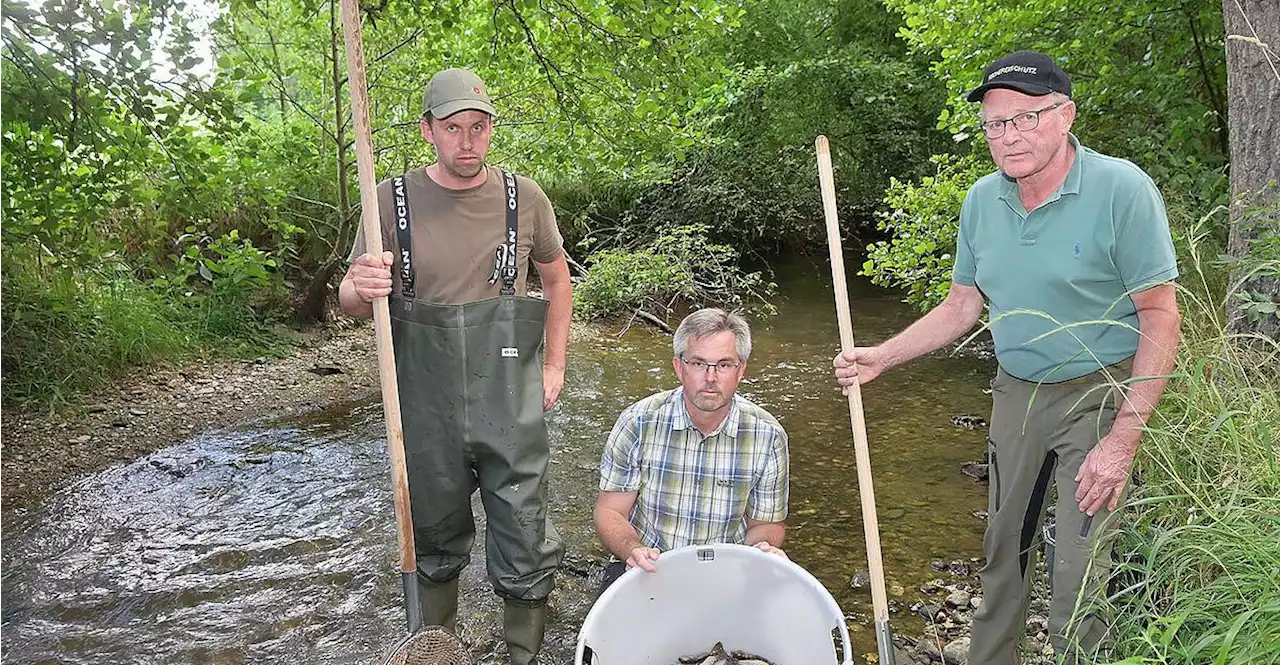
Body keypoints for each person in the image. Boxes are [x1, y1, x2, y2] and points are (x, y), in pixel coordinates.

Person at [833, 51, 1181, 663]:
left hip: (1099, 392)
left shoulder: (1121, 190)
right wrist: (882, 356)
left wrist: (1125, 436)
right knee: (1002, 555)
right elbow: (961, 306)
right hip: (1016, 393)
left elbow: (1160, 314)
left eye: (1028, 118)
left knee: (1079, 569)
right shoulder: (981, 203)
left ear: (1066, 115)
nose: (1011, 135)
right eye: (997, 124)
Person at [338, 67, 572, 665]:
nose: (467, 142)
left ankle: (521, 656)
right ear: (428, 131)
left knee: (524, 535)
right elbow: (348, 301)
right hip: (424, 407)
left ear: (491, 128)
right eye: (453, 128)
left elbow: (556, 279)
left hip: (509, 403)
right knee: (432, 539)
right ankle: (432, 652)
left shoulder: (526, 198)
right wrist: (363, 286)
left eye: (479, 127)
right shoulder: (388, 201)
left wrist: (555, 365)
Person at [593, 308, 790, 594]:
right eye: (698, 363)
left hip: (727, 572)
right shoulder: (638, 421)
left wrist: (761, 549)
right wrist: (633, 549)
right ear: (678, 366)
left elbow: (767, 524)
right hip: (647, 566)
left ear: (741, 370)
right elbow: (609, 511)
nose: (710, 377)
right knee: (598, 640)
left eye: (724, 365)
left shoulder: (768, 435)